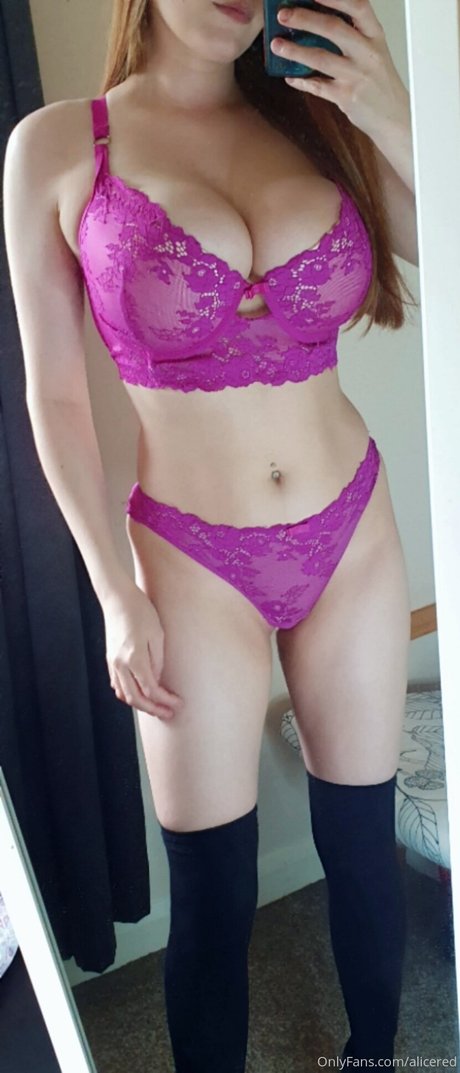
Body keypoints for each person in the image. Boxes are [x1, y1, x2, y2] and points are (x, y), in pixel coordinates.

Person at [4, 1, 419, 1070]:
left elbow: (451, 251)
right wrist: (114, 590)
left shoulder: (315, 120)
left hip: (350, 531)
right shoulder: (58, 146)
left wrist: (387, 109)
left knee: (361, 841)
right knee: (215, 886)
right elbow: (55, 397)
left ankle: (375, 1055)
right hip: (191, 560)